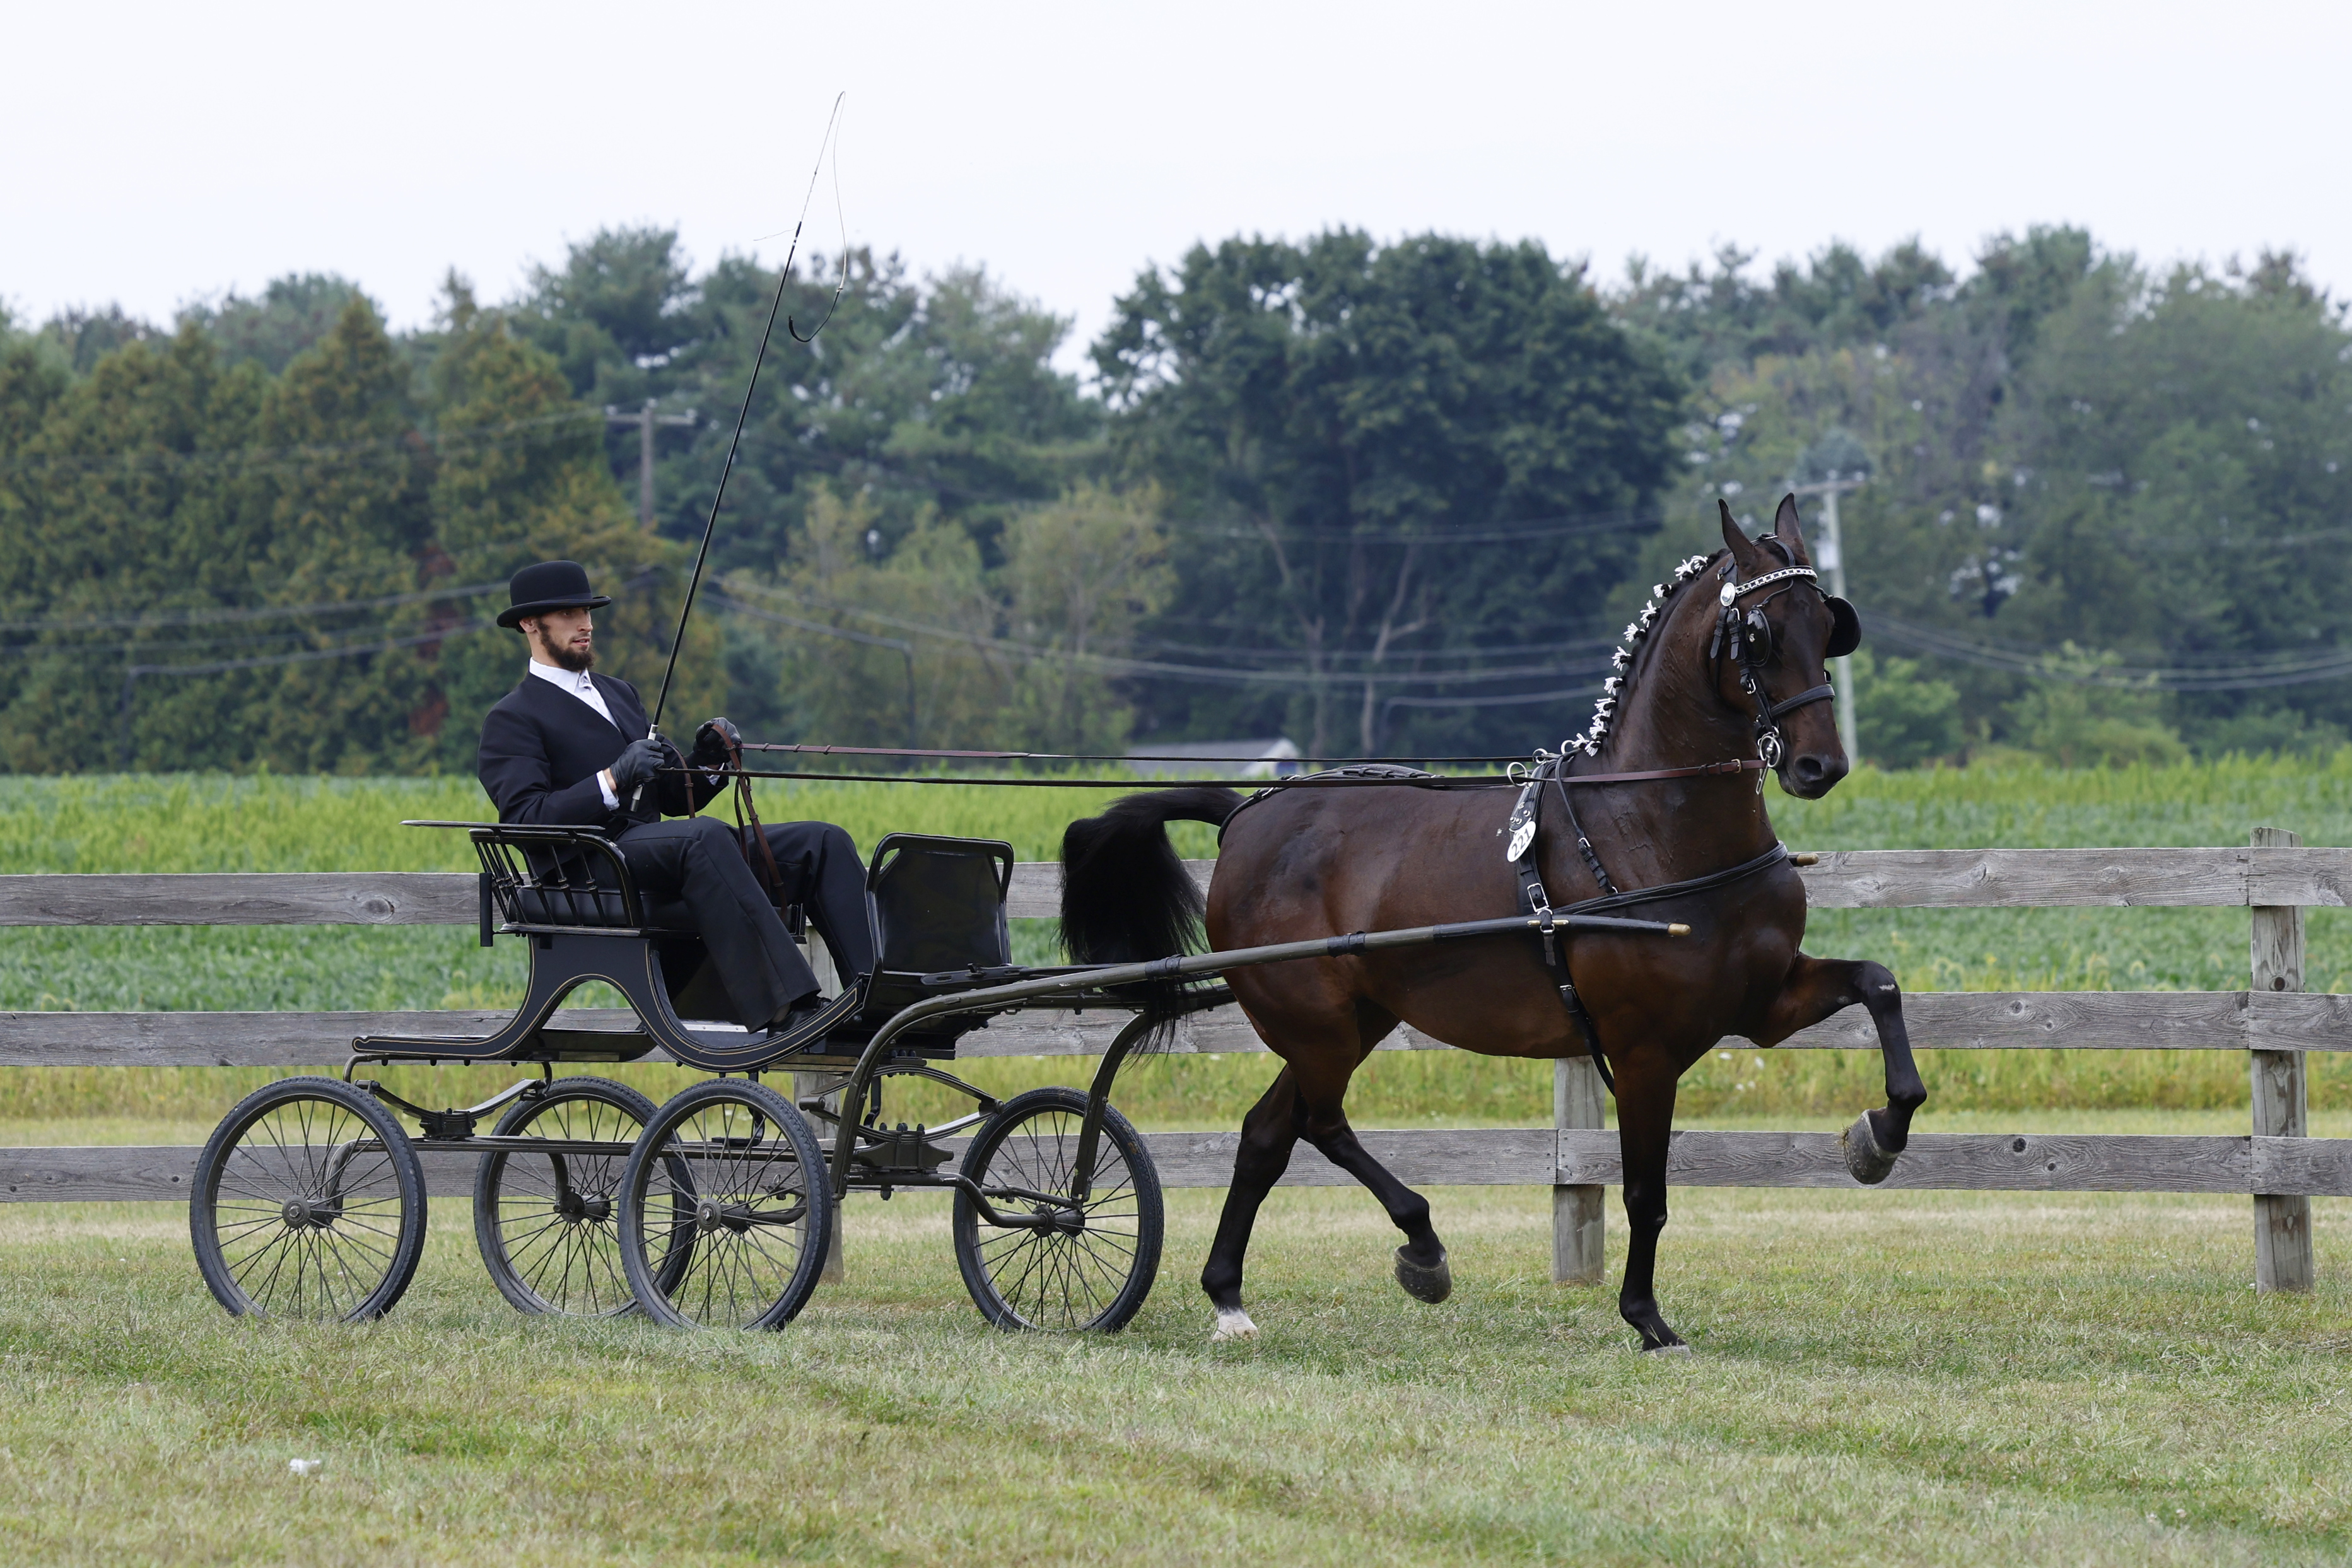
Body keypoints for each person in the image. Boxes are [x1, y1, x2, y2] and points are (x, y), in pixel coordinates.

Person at [475, 559, 873, 1043]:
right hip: (591, 867)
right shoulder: (512, 717)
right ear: (529, 624)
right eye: (567, 614)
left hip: (660, 849)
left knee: (822, 841)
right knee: (701, 839)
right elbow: (524, 821)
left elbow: (666, 797)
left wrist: (706, 762)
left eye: (586, 610)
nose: (586, 624)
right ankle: (788, 1006)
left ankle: (874, 1000)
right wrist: (611, 779)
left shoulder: (620, 694)